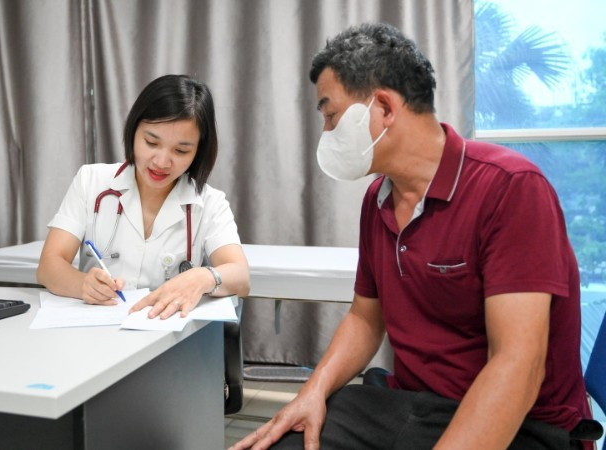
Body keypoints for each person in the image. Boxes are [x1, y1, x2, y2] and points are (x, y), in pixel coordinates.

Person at [232, 23, 592, 450]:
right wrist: (312, 391)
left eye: (330, 116)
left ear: (383, 106)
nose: (326, 134)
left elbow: (518, 366)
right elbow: (366, 317)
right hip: (415, 407)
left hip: (525, 423)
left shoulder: (510, 188)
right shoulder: (378, 199)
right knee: (283, 442)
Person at [37, 74, 250, 319]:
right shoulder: (91, 181)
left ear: (199, 151)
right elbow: (49, 266)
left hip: (169, 339)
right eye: (151, 142)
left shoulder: (210, 203)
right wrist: (83, 284)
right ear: (134, 130)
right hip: (95, 334)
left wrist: (204, 277)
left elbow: (241, 277)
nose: (161, 162)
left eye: (181, 150)